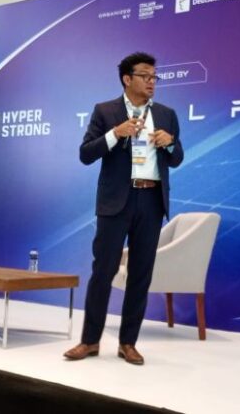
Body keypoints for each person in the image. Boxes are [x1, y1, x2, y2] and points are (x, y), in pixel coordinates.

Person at [64, 52, 184, 365]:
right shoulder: (106, 111)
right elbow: (85, 154)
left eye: (154, 77)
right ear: (127, 79)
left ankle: (128, 343)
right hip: (116, 201)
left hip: (151, 201)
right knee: (103, 272)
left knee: (140, 275)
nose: (151, 82)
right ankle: (89, 341)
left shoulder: (167, 114)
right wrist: (115, 134)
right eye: (145, 76)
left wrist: (170, 143)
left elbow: (176, 158)